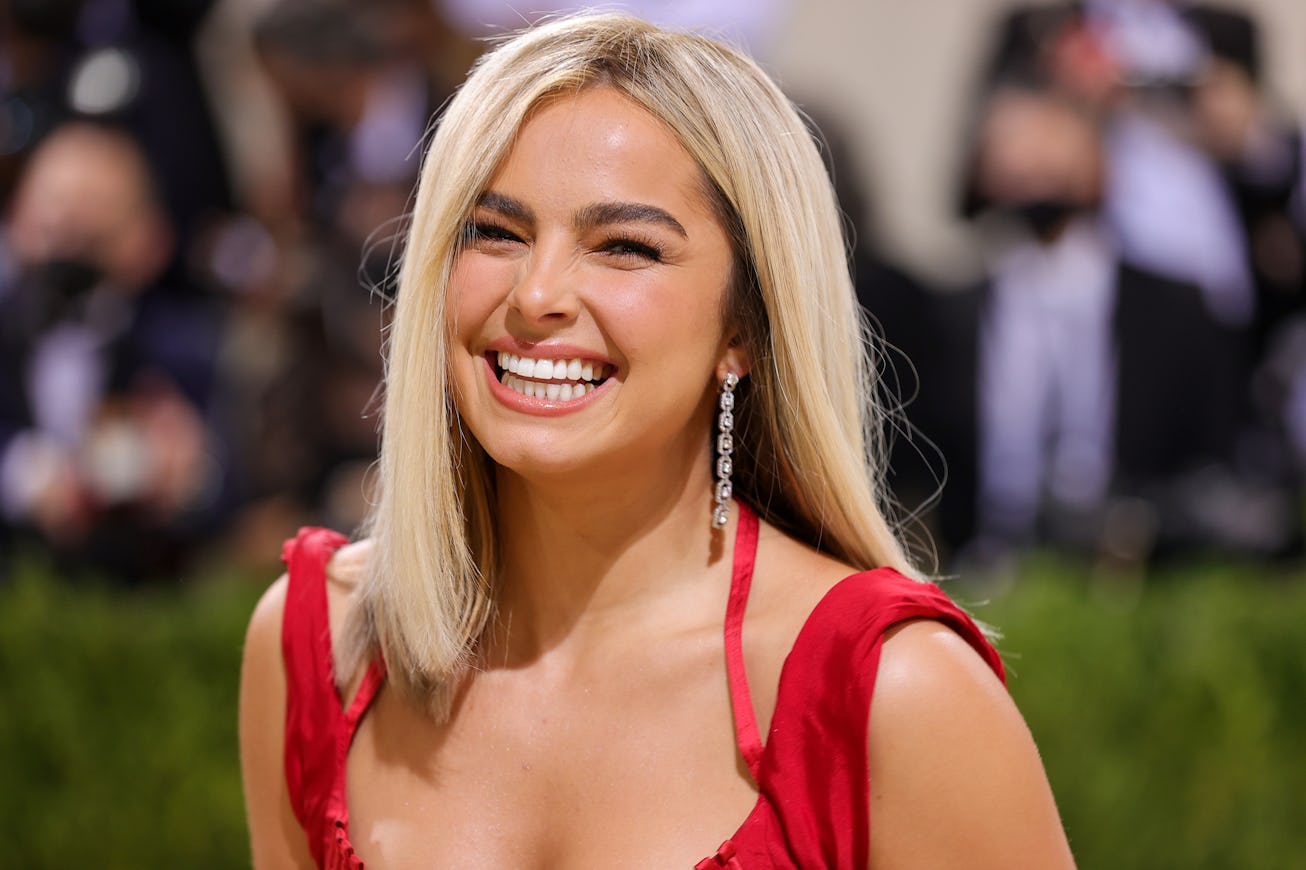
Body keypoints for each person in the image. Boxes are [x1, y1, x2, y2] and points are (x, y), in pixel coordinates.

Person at [239, 13, 1075, 868]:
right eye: (494, 232)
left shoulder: (894, 692)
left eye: (625, 246)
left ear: (744, 327)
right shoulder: (318, 646)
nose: (538, 295)